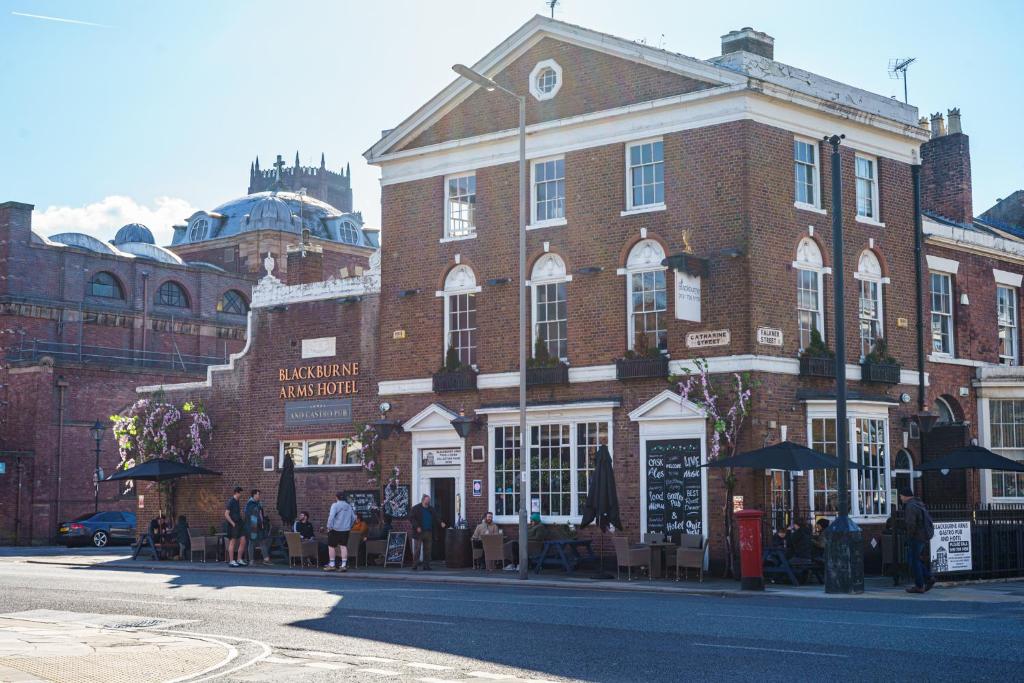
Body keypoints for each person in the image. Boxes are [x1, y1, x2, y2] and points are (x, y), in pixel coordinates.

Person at [900, 487, 936, 593]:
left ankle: (920, 585)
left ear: (906, 496)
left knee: (913, 561)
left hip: (917, 537)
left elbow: (911, 524)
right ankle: (928, 578)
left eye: (901, 496)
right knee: (915, 560)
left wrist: (909, 537)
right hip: (923, 536)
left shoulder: (910, 506)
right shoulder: (918, 503)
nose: (900, 498)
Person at [409, 494, 446, 570]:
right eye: (427, 500)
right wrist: (417, 527)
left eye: (429, 500)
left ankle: (426, 565)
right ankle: (415, 564)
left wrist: (441, 522)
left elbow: (436, 517)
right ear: (423, 500)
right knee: (417, 549)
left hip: (428, 531)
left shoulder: (431, 509)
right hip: (419, 532)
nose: (428, 501)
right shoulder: (416, 508)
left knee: (427, 550)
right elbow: (412, 519)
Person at [324, 492, 356, 572]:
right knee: (343, 546)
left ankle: (332, 564)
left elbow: (331, 517)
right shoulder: (348, 506)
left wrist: (329, 527)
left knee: (331, 546)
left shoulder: (335, 505)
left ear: (336, 497)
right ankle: (343, 565)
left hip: (335, 529)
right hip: (345, 529)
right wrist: (349, 526)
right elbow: (353, 518)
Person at [245, 490, 272, 565]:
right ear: (254, 495)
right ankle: (251, 561)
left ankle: (266, 559)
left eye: (259, 494)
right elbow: (251, 516)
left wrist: (262, 523)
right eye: (258, 494)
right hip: (253, 525)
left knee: (262, 541)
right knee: (252, 542)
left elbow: (260, 514)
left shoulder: (258, 503)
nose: (259, 495)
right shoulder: (250, 504)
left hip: (259, 525)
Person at [224, 486, 248, 567]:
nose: (241, 495)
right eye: (240, 493)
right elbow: (226, 514)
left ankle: (239, 559)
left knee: (243, 540)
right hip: (233, 525)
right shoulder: (231, 501)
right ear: (237, 493)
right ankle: (231, 561)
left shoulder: (237, 501)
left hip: (239, 523)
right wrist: (232, 523)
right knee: (233, 542)